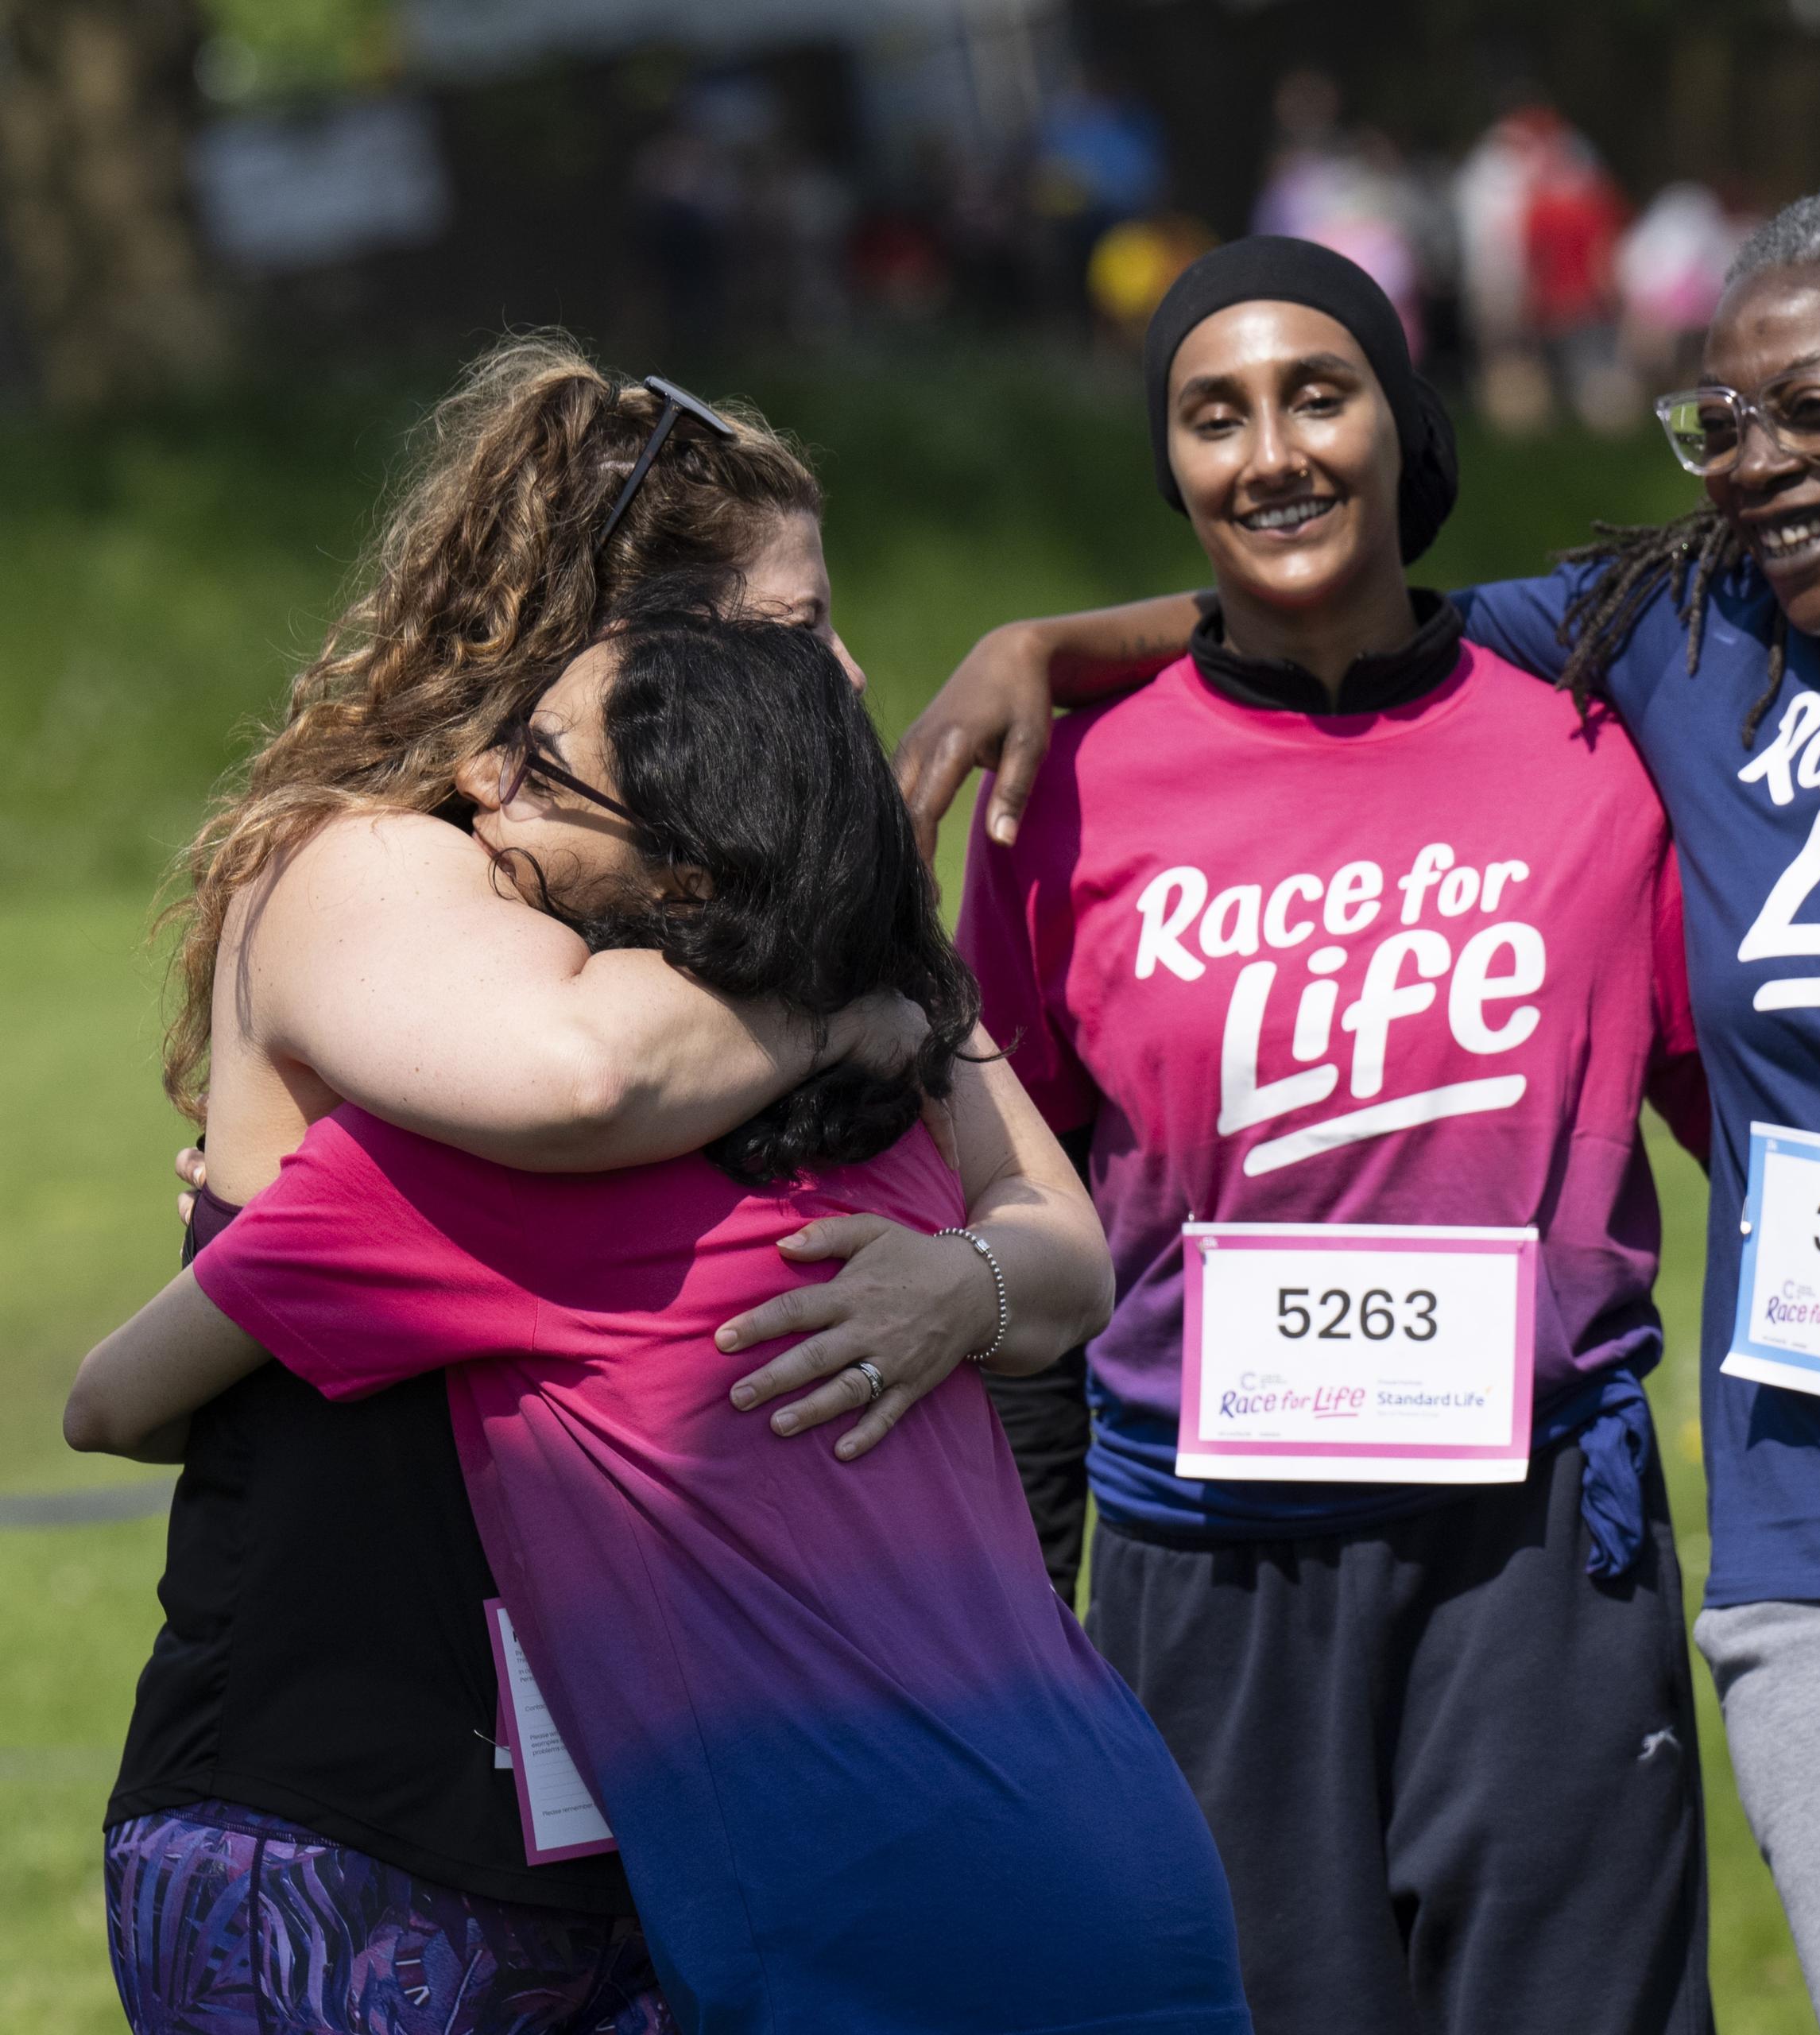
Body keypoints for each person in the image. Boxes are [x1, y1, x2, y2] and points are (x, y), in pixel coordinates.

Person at [900, 157, 1820, 2035]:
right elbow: (1331, 591)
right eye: (1728, 419)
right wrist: (1046, 644)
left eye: (1817, 408)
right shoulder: (1681, 650)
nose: (1756, 458)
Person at [71, 595, 1250, 2035]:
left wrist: (263, 1231)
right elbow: (1060, 1252)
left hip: (871, 1925)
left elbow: (111, 1405)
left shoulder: (440, 1181)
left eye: (540, 766)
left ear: (681, 877)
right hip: (1131, 1856)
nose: (479, 778)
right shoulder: (890, 1113)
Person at [103, 340, 1024, 2033]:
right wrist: (855, 1004)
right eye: (789, 625)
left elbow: (1057, 1239)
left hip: (675, 1831)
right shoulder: (369, 863)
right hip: (351, 1820)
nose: (847, 663)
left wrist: (960, 1283)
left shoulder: (741, 934)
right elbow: (578, 1076)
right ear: (614, 644)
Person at [951, 234, 1712, 2035]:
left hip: (1531, 1552)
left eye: (1318, 393)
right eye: (1215, 415)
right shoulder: (1059, 799)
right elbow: (1026, 1226)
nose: (1271, 450)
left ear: (1400, 423)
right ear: (1174, 467)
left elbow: (1743, 1115)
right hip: (1201, 1562)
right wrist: (1021, 1614)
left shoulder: (1596, 750)